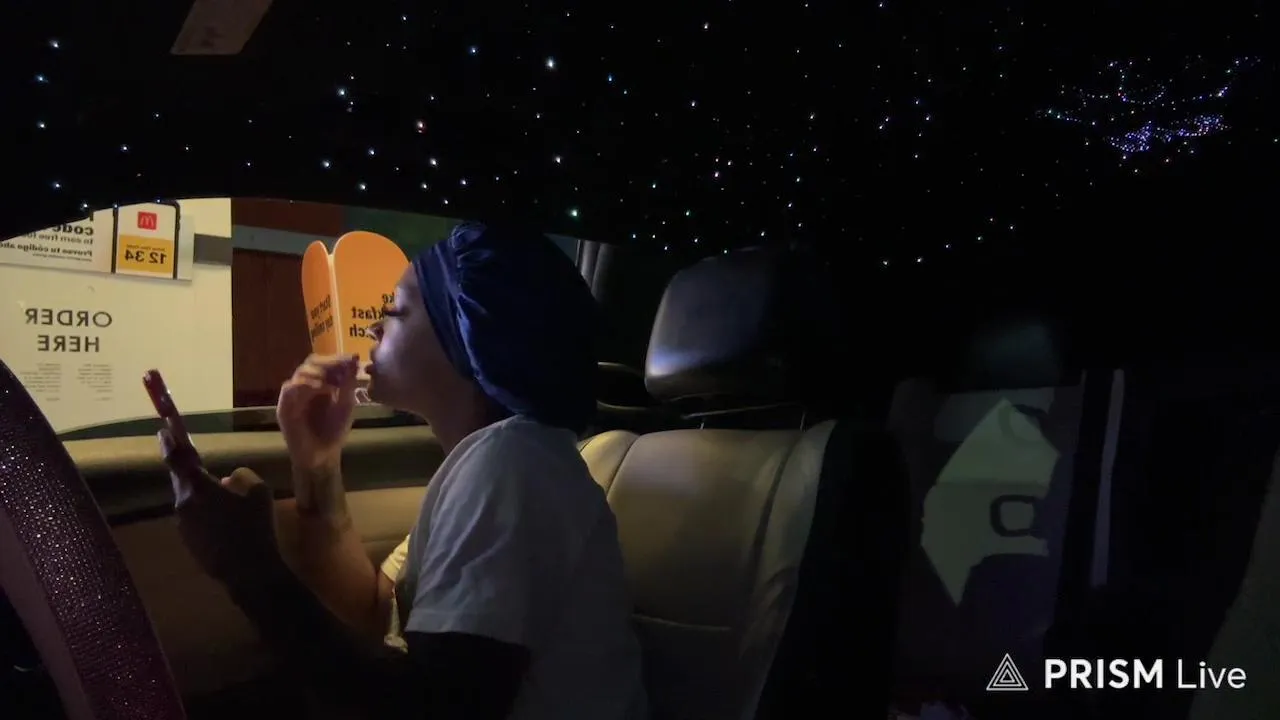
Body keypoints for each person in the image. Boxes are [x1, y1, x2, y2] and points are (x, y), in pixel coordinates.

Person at [158, 222, 648, 720]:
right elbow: (374, 609)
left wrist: (246, 568)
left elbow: (434, 707)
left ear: (470, 332)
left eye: (394, 311)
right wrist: (316, 463)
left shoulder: (513, 464)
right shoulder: (495, 461)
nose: (374, 327)